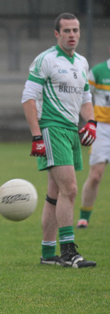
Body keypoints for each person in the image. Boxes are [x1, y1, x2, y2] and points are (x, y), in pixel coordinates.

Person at [21, 13, 97, 268]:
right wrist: (36, 135)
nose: (72, 34)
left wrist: (91, 123)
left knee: (55, 193)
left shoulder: (82, 63)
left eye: (75, 30)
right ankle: (68, 252)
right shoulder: (46, 60)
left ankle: (47, 253)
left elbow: (86, 98)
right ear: (57, 34)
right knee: (71, 189)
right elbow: (28, 98)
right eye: (67, 31)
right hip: (52, 129)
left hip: (70, 131)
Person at [77, 44, 110, 228]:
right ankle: (84, 216)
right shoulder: (98, 72)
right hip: (104, 129)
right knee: (96, 175)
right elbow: (84, 97)